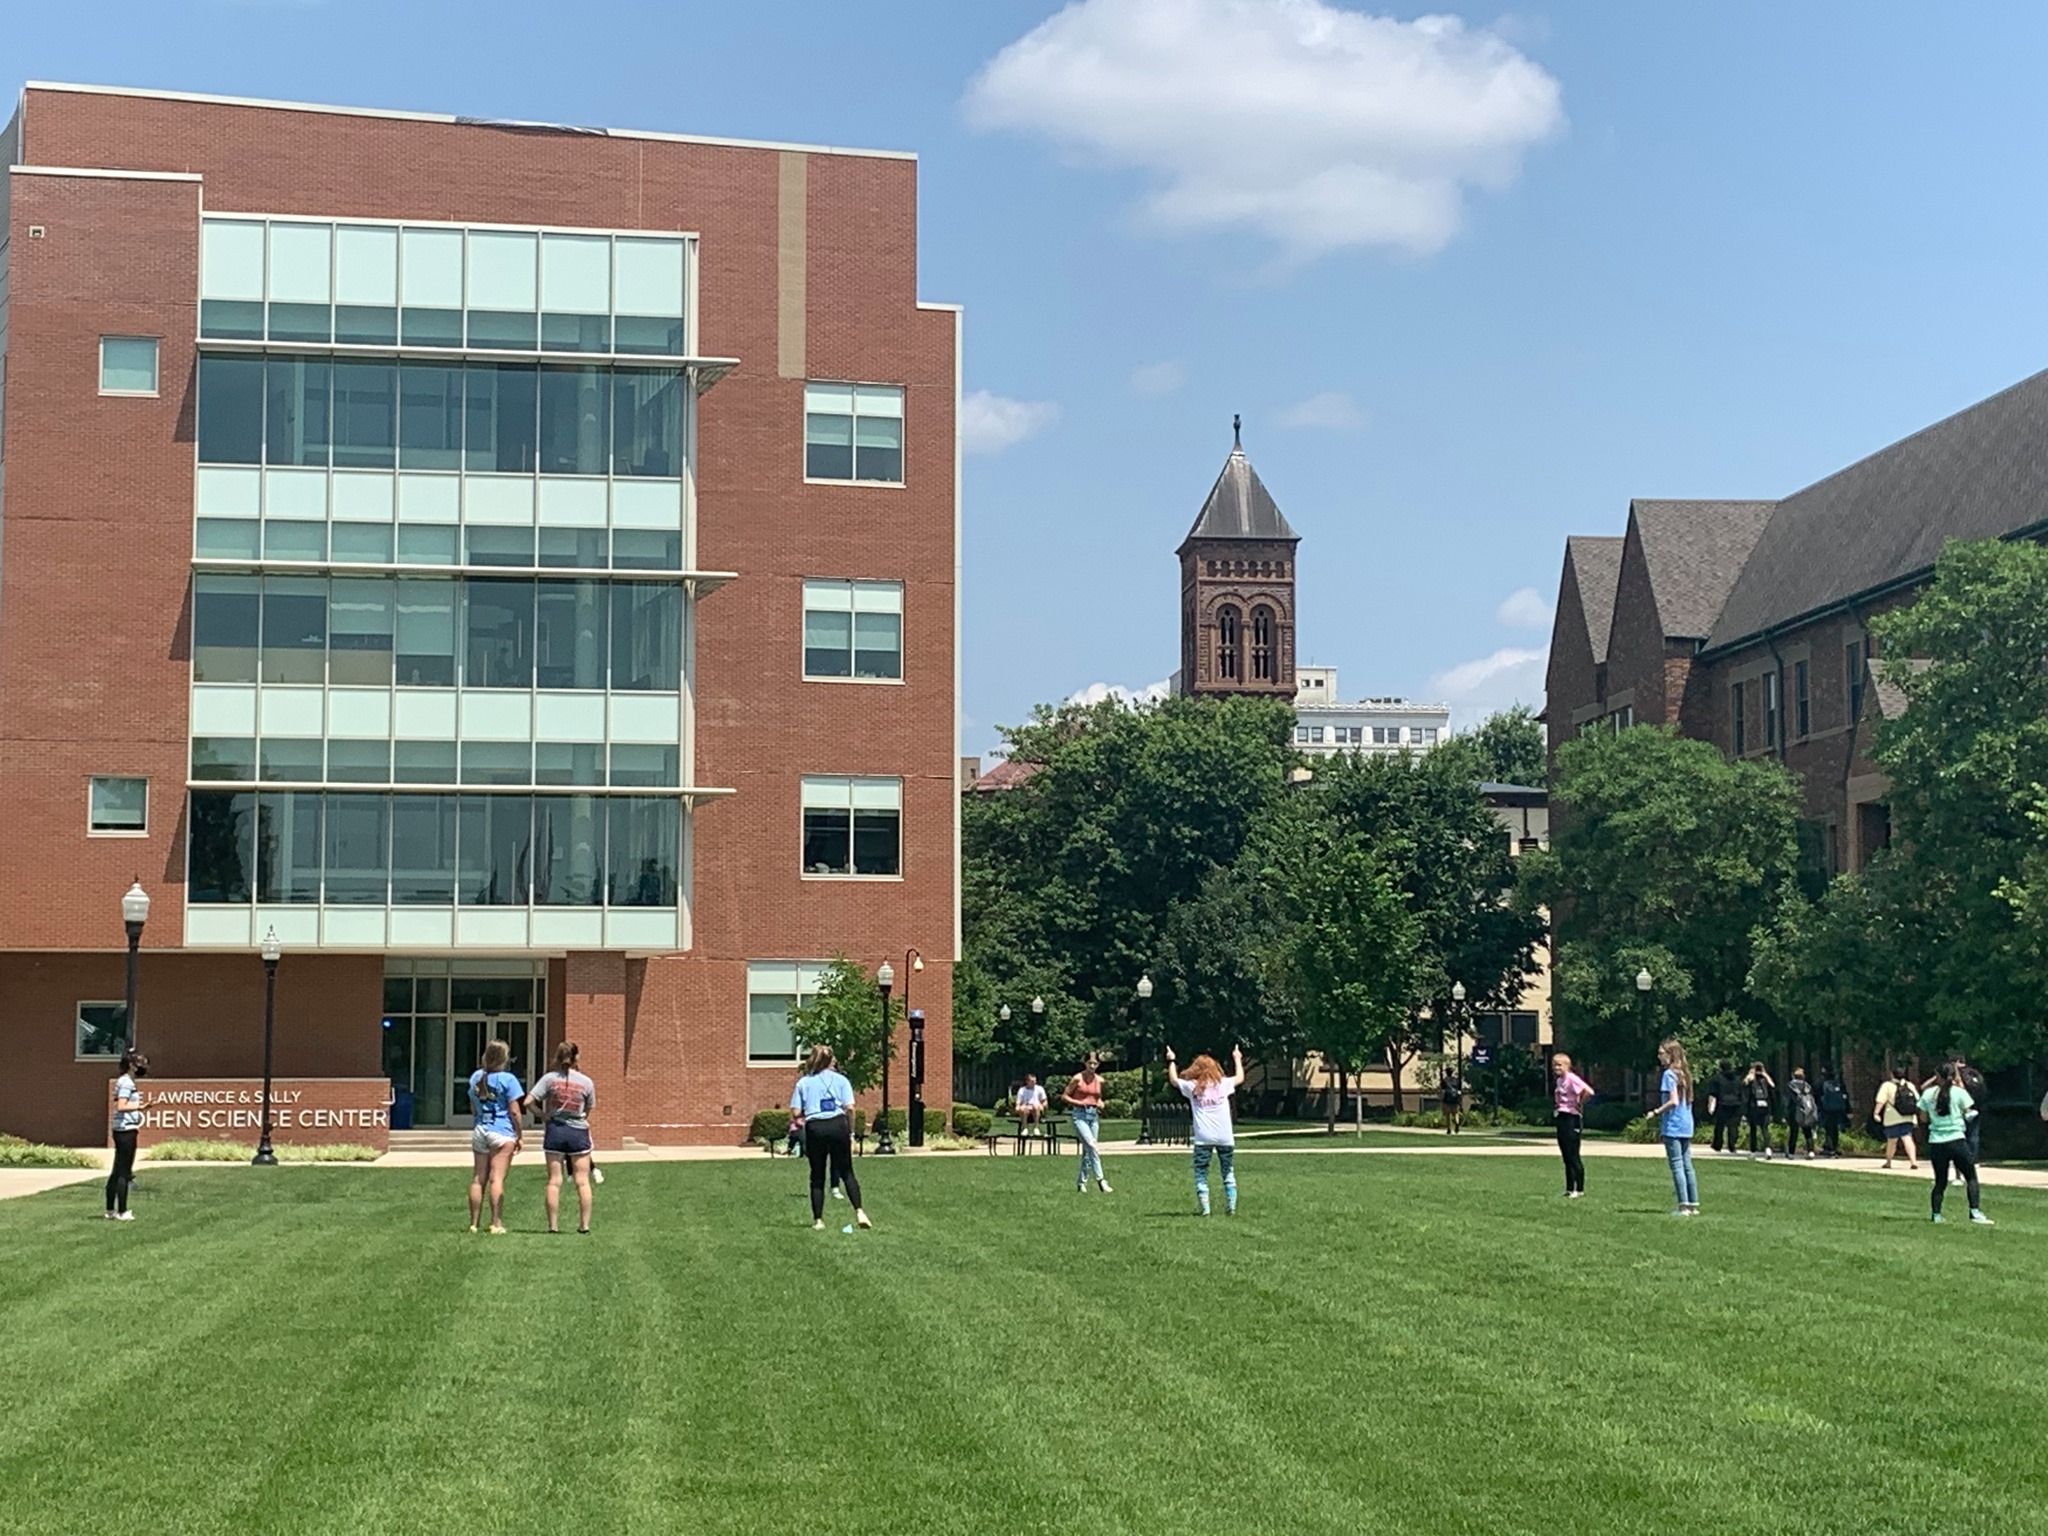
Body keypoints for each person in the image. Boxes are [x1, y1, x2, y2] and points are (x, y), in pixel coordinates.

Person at [790, 1045, 870, 1231]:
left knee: (817, 1175)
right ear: (831, 1060)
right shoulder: (841, 1080)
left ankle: (819, 1220)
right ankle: (859, 1211)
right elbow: (850, 1108)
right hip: (838, 1125)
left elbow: (795, 1112)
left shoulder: (804, 1083)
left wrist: (803, 1115)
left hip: (815, 1126)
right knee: (846, 1171)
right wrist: (850, 1133)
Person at [1166, 1044, 1243, 1216]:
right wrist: (1237, 1058)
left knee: (1201, 1172)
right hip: (1225, 1137)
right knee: (1228, 1170)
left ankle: (1205, 1209)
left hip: (1203, 1138)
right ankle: (1231, 1206)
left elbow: (1173, 1080)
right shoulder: (1223, 1084)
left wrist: (1171, 1060)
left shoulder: (1193, 1087)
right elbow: (1239, 1077)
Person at [529, 1041, 597, 1235]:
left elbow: (529, 1101)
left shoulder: (549, 1079)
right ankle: (584, 1225)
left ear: (557, 1058)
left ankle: (553, 1226)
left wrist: (543, 1116)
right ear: (576, 1057)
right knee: (582, 1181)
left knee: (554, 1181)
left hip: (556, 1130)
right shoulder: (586, 1082)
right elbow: (589, 1108)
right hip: (578, 1131)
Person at [1920, 1062, 1992, 1225]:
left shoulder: (1928, 1094)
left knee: (1940, 1180)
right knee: (1971, 1177)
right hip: (1956, 1139)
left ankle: (1936, 1214)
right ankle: (1975, 1212)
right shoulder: (1959, 1093)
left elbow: (1923, 1119)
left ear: (1937, 1076)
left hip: (1937, 1141)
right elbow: (1970, 1111)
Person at [466, 1040, 524, 1235]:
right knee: (496, 1179)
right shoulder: (508, 1079)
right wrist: (519, 1134)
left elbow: (473, 1107)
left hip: (480, 1129)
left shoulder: (476, 1077)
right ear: (504, 1059)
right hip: (502, 1131)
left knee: (477, 1178)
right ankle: (496, 1223)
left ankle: (474, 1223)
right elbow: (515, 1111)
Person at [1651, 1039, 1698, 1215]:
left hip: (1673, 1124)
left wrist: (1656, 1112)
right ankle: (1693, 1204)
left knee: (1677, 1165)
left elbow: (1673, 1101)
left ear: (1670, 1055)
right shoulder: (1685, 1074)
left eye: (1661, 1053)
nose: (1659, 1057)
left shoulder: (1669, 1075)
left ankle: (1683, 1205)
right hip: (1687, 1123)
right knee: (1687, 1165)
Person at [105, 1048, 147, 1222]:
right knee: (124, 1172)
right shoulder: (127, 1083)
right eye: (138, 1063)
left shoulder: (123, 1081)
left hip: (120, 1129)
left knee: (116, 1171)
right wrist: (141, 1107)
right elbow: (121, 1105)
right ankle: (122, 1211)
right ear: (131, 1065)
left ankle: (110, 1210)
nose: (141, 1066)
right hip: (126, 1130)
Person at [1061, 1057, 1112, 1193]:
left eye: (1095, 1063)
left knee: (1088, 1151)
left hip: (1093, 1115)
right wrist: (1079, 1103)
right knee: (1092, 1145)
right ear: (1085, 1063)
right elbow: (1065, 1096)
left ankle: (1081, 1182)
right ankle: (1101, 1180)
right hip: (1080, 1115)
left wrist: (1100, 1103)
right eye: (1090, 1063)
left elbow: (1097, 1097)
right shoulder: (1078, 1078)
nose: (1092, 1066)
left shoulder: (1100, 1080)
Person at [1551, 1052, 1594, 1198]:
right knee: (1565, 1155)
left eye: (1559, 1065)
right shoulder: (1559, 1081)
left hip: (1572, 1118)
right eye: (1554, 1064)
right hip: (1561, 1116)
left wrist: (1579, 1103)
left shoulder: (1571, 1078)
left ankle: (1579, 1189)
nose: (1556, 1067)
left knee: (1573, 1154)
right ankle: (1569, 1188)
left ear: (1567, 1066)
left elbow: (1588, 1091)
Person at [1877, 1066, 1920, 1170]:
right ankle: (1913, 1161)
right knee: (1907, 1138)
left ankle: (1888, 1162)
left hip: (1892, 1117)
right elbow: (1917, 1099)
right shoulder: (1909, 1085)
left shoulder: (1887, 1085)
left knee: (1892, 1140)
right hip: (1908, 1117)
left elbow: (1881, 1101)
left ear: (1892, 1075)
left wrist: (1876, 1113)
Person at [1783, 1067, 1820, 1159]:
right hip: (1807, 1111)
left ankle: (1791, 1153)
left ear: (1793, 1076)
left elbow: (1787, 1101)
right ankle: (1811, 1151)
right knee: (1808, 1131)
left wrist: (1785, 1112)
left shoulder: (1790, 1086)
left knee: (1794, 1132)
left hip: (1794, 1111)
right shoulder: (1807, 1086)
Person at [1741, 1062, 1777, 1158]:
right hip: (1765, 1107)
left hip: (1753, 1107)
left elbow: (1744, 1088)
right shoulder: (1766, 1080)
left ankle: (1753, 1151)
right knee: (1764, 1129)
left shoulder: (1751, 1080)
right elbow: (1773, 1087)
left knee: (1753, 1129)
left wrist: (1749, 1076)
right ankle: (1768, 1149)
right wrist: (1765, 1074)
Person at [1708, 1061, 1744, 1154]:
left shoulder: (1717, 1078)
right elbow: (1741, 1092)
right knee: (1733, 1126)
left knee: (1720, 1125)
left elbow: (1713, 1093)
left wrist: (1710, 1106)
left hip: (1722, 1103)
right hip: (1736, 1104)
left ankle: (1717, 1145)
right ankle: (1732, 1146)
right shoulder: (1737, 1079)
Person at [1817, 1069, 1851, 1157]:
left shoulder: (1821, 1083)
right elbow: (1845, 1096)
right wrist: (1847, 1109)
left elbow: (1817, 1095)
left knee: (1828, 1128)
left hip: (1826, 1110)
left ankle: (1829, 1147)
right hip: (1838, 1110)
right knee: (1835, 1129)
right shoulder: (1839, 1084)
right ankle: (1834, 1147)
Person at [1440, 1064, 1465, 1136]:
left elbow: (1443, 1091)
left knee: (1448, 1115)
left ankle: (1449, 1129)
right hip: (1455, 1099)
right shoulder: (1456, 1080)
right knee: (1456, 1113)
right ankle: (1457, 1123)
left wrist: (1441, 1099)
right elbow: (1459, 1090)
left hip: (1447, 1099)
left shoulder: (1444, 1080)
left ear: (1446, 1072)